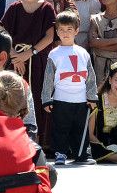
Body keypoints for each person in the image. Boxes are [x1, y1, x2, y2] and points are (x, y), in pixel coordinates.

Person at [1, 0, 57, 147]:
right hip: (16, 60)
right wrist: (15, 56)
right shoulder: (14, 8)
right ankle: (14, 140)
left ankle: (38, 141)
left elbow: (49, 36)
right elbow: (4, 34)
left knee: (38, 97)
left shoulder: (46, 8)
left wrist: (29, 53)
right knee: (15, 98)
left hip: (38, 60)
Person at [41, 11, 99, 165]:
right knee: (60, 128)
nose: (65, 33)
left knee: (80, 128)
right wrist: (47, 99)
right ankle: (60, 154)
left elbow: (90, 77)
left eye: (69, 29)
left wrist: (92, 97)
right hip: (61, 99)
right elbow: (48, 78)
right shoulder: (54, 54)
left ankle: (82, 155)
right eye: (61, 29)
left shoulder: (83, 53)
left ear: (76, 30)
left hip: (80, 100)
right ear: (57, 31)